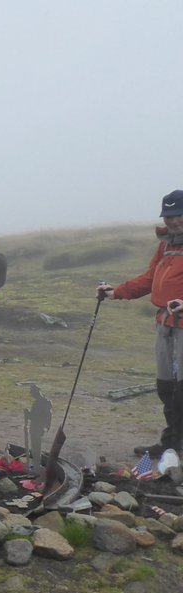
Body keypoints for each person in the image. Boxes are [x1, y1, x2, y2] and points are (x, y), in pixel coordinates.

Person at [98, 189, 183, 456]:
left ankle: (176, 445)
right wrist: (117, 292)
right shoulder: (166, 245)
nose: (172, 221)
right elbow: (149, 278)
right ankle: (171, 443)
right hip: (166, 323)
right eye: (168, 216)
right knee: (166, 386)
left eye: (177, 215)